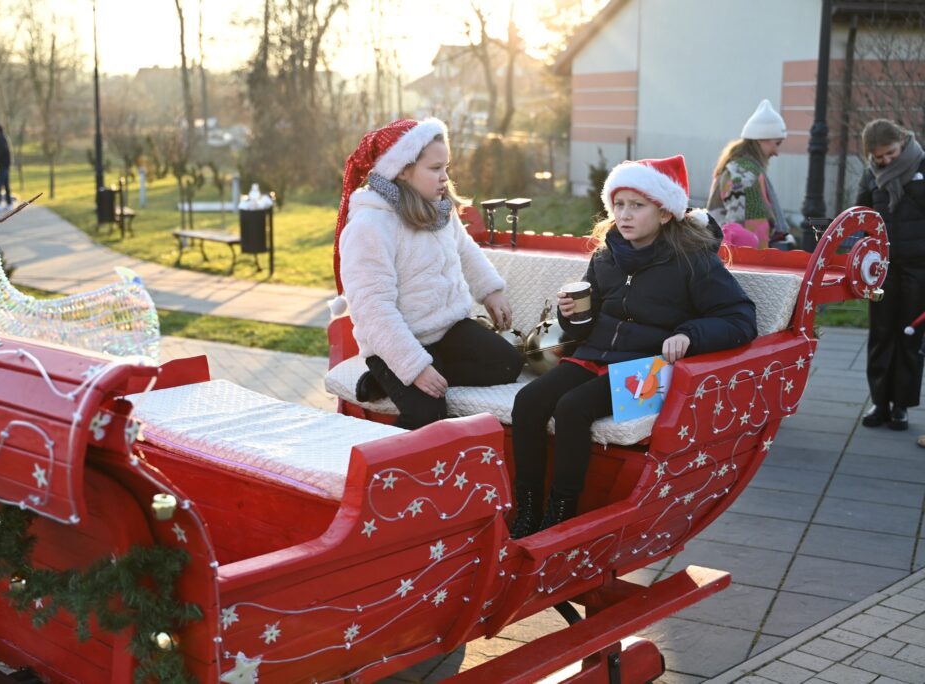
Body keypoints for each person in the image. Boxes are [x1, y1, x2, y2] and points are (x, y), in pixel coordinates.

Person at [508, 155, 758, 538]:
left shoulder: (692, 261)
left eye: (637, 205)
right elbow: (584, 326)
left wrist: (690, 334)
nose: (624, 215)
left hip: (649, 371)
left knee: (572, 408)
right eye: (619, 204)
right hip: (594, 358)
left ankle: (560, 513)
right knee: (528, 402)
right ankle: (527, 508)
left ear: (664, 213)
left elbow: (740, 318)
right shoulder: (606, 255)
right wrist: (571, 315)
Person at [337, 118, 524, 430]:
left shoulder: (439, 209)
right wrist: (415, 367)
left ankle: (387, 381)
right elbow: (373, 308)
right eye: (435, 168)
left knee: (508, 364)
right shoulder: (370, 226)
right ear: (402, 170)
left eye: (446, 167)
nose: (445, 177)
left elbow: (465, 249)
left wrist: (490, 291)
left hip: (446, 328)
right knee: (428, 412)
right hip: (396, 342)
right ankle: (388, 448)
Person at [857, 120, 925, 432]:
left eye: (891, 153)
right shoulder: (871, 174)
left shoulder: (920, 165)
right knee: (881, 332)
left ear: (902, 141)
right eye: (879, 156)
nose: (885, 161)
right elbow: (862, 214)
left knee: (909, 335)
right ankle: (879, 402)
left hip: (918, 266)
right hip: (882, 266)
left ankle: (901, 406)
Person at [708, 99, 792, 249]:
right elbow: (738, 231)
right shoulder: (743, 175)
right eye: (777, 143)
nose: (777, 152)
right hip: (746, 259)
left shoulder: (744, 170)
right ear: (761, 139)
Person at [0, 124, 12, 207]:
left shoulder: (0, 138)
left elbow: (2, 150)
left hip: (2, 165)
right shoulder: (3, 137)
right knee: (6, 185)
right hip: (5, 165)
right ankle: (9, 203)